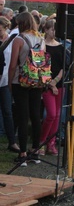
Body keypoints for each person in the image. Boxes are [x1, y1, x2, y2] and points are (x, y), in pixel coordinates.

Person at [8, 12, 45, 166]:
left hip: (21, 81)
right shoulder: (41, 38)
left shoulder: (19, 39)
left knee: (22, 116)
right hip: (36, 81)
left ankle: (23, 152)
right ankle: (35, 151)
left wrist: (10, 82)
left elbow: (12, 65)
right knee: (36, 116)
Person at [39, 19, 64, 156]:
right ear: (47, 30)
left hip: (58, 84)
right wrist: (50, 83)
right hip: (46, 85)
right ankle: (42, 141)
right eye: (52, 29)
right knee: (51, 114)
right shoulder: (42, 46)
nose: (54, 32)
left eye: (56, 29)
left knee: (57, 115)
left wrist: (55, 81)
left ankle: (51, 143)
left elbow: (63, 67)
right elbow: (40, 66)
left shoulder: (60, 46)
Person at [0, 17, 19, 153]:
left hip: (6, 80)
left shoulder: (11, 40)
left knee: (7, 111)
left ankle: (12, 141)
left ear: (5, 27)